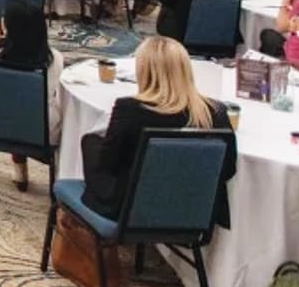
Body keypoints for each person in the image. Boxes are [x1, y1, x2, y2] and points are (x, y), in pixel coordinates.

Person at [79, 36, 236, 223]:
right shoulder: (216, 112)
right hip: (194, 209)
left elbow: (108, 163)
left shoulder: (130, 109)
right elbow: (228, 169)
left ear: (143, 71)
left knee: (91, 142)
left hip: (132, 207)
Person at [0, 0, 65, 191]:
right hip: (39, 132)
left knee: (13, 105)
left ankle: (20, 169)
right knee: (36, 108)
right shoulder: (55, 59)